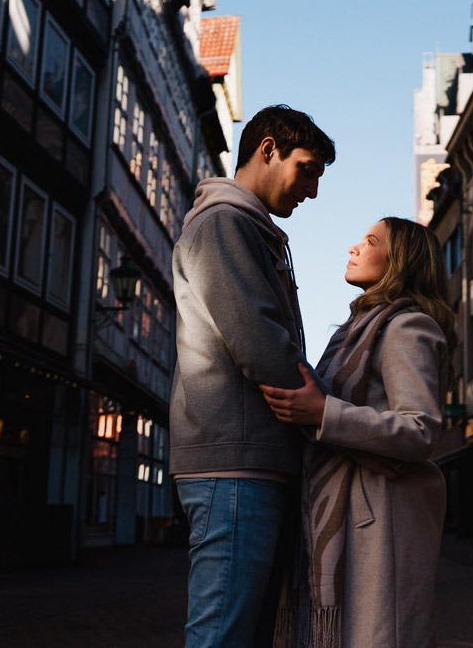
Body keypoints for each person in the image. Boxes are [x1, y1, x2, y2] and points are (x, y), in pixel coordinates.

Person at [169, 104, 336, 647]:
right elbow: (261, 344)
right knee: (223, 636)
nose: (311, 191)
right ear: (268, 148)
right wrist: (331, 412)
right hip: (235, 467)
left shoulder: (248, 229)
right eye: (307, 169)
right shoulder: (224, 224)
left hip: (251, 464)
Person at [260, 217, 457, 648]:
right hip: (348, 506)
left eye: (370, 242)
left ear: (400, 262)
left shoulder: (407, 327)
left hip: (382, 515)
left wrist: (324, 413)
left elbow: (421, 429)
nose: (353, 248)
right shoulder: (354, 333)